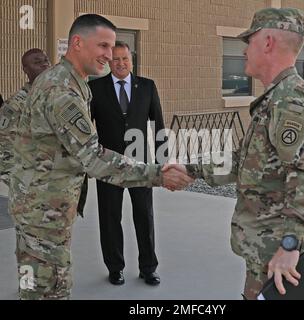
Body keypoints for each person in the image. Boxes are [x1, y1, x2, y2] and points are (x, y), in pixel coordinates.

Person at [5, 14, 192, 300]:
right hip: (42, 212)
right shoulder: (61, 90)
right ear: (77, 43)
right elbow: (92, 156)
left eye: (114, 48)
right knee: (47, 290)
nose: (110, 55)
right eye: (103, 46)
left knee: (43, 286)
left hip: (46, 206)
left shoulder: (72, 82)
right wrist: (158, 174)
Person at [177, 7, 304, 300]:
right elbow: (245, 161)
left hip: (282, 260)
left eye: (248, 41)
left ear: (267, 43)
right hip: (269, 251)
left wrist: (289, 246)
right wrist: (190, 169)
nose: (243, 51)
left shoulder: (289, 101)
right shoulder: (277, 98)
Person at [89, 41, 165, 286]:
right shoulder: (95, 88)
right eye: (116, 59)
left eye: (125, 59)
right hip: (108, 164)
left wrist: (161, 163)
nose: (121, 64)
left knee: (144, 215)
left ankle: (148, 268)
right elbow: (84, 128)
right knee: (110, 217)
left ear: (132, 60)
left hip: (140, 163)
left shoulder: (147, 86)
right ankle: (115, 267)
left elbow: (158, 125)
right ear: (109, 61)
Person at [0, 49, 51, 186]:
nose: (44, 64)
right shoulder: (15, 105)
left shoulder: (57, 97)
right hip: (35, 184)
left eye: (46, 60)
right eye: (37, 62)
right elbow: (5, 148)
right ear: (25, 69)